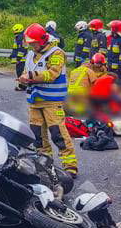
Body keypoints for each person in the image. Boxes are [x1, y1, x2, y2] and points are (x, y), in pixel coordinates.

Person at [18, 23, 78, 176]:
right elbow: (28, 71)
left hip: (52, 101)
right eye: (29, 43)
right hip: (34, 100)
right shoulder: (31, 53)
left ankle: (70, 166)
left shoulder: (56, 53)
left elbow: (52, 74)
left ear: (42, 40)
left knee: (58, 134)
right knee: (37, 135)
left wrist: (31, 77)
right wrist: (23, 80)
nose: (31, 46)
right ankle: (44, 162)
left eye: (33, 43)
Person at [107, 20, 121, 90]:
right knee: (113, 87)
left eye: (111, 28)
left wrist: (118, 67)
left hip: (119, 70)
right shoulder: (113, 39)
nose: (110, 30)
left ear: (115, 29)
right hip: (111, 68)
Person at [10, 23, 28, 91]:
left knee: (20, 73)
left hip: (21, 60)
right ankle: (22, 86)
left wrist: (18, 58)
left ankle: (22, 86)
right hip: (21, 59)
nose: (14, 32)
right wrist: (12, 55)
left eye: (15, 30)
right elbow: (16, 48)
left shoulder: (20, 37)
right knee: (20, 73)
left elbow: (22, 49)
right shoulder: (20, 36)